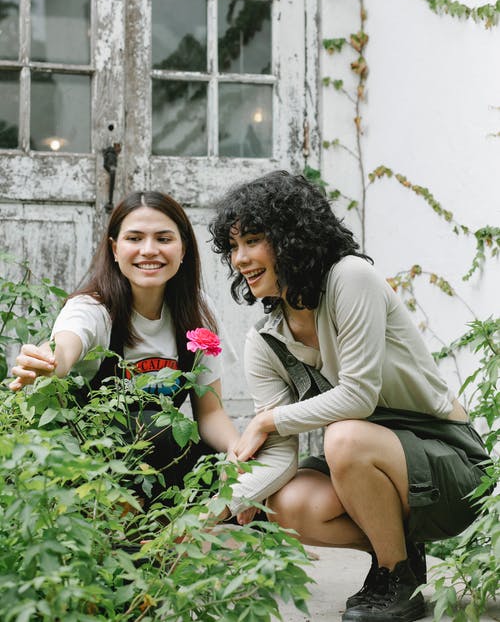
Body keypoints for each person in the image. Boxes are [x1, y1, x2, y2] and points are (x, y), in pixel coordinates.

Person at [209, 170, 491, 622]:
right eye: (233, 247)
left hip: (451, 464)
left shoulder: (350, 278)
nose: (240, 258)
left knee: (343, 437)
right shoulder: (265, 341)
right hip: (371, 470)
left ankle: (395, 579)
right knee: (286, 502)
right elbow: (279, 457)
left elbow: (358, 397)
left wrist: (265, 420)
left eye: (254, 241)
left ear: (291, 237)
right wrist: (215, 510)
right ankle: (399, 556)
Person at [10, 190, 240, 505]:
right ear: (115, 249)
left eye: (163, 238)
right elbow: (65, 345)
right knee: (156, 428)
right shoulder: (92, 308)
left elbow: (211, 413)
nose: (149, 250)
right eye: (135, 238)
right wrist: (48, 361)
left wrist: (239, 454)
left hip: (164, 466)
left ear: (183, 248)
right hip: (93, 467)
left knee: (231, 471)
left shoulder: (197, 309)